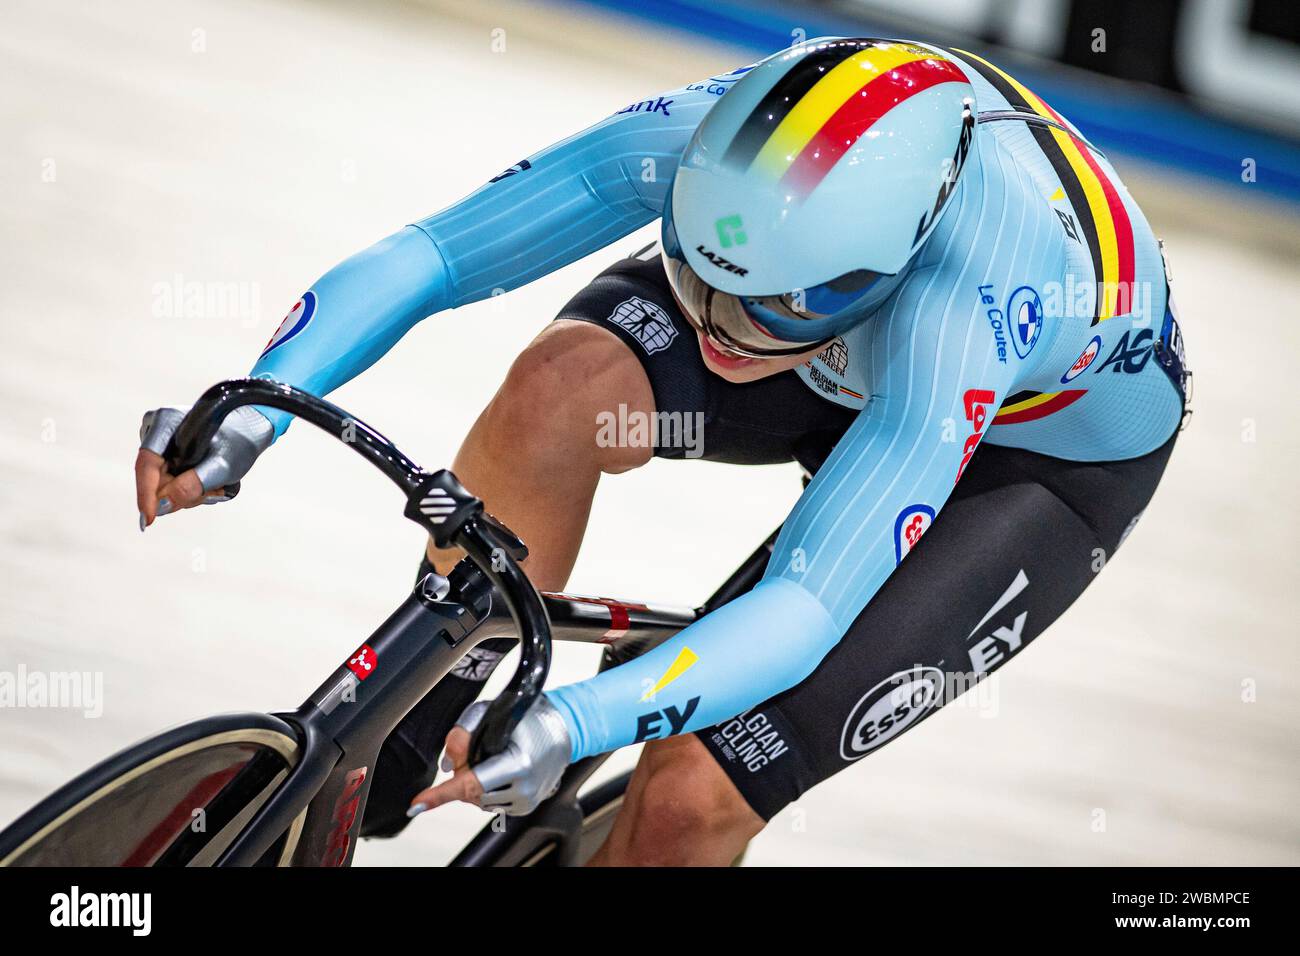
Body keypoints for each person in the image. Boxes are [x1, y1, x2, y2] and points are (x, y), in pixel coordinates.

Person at [135, 38, 1191, 865]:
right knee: (563, 387)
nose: (725, 330)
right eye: (696, 274)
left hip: (1026, 453)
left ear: (881, 269)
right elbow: (437, 253)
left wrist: (581, 716)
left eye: (772, 304)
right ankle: (440, 701)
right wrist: (257, 406)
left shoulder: (960, 311)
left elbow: (807, 605)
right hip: (839, 336)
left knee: (690, 792)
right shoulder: (704, 140)